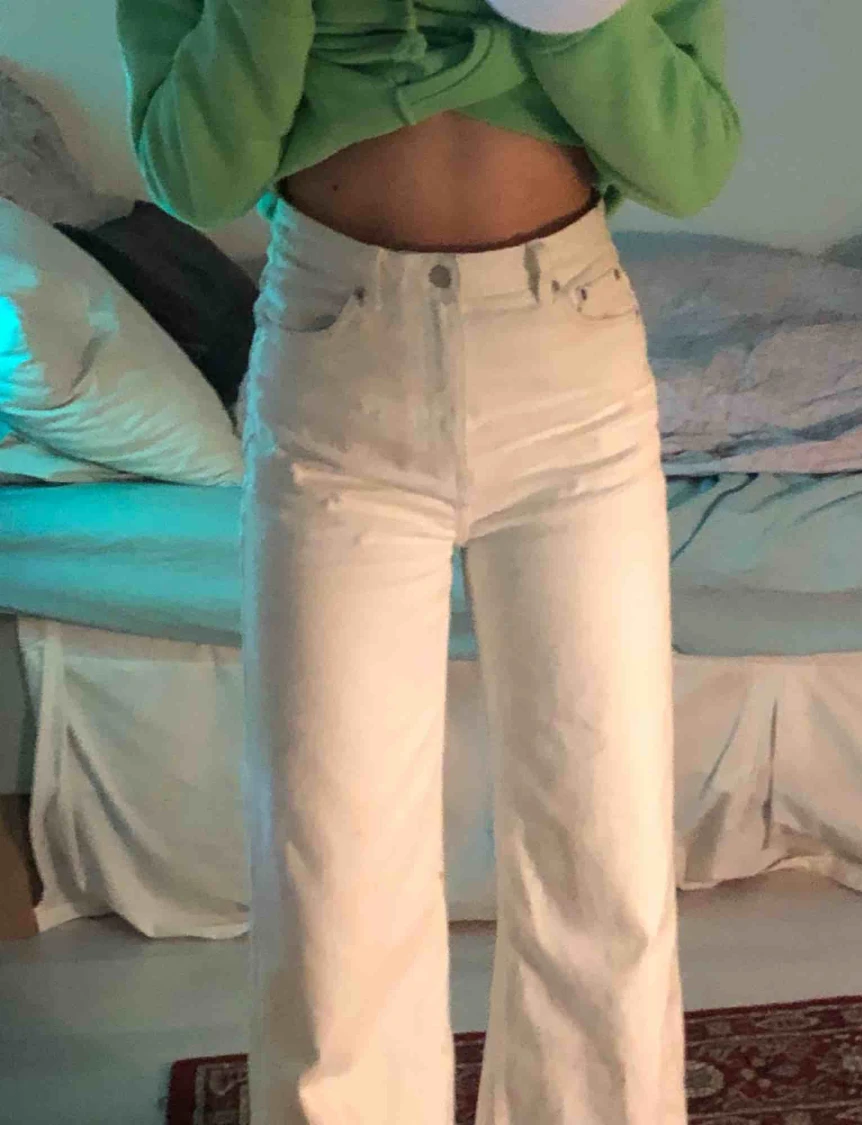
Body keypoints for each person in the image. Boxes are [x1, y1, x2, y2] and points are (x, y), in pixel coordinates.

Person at [116, 1, 742, 1121]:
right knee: (333, 869)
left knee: (604, 853)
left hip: (570, 365)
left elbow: (690, 162)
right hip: (337, 363)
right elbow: (196, 177)